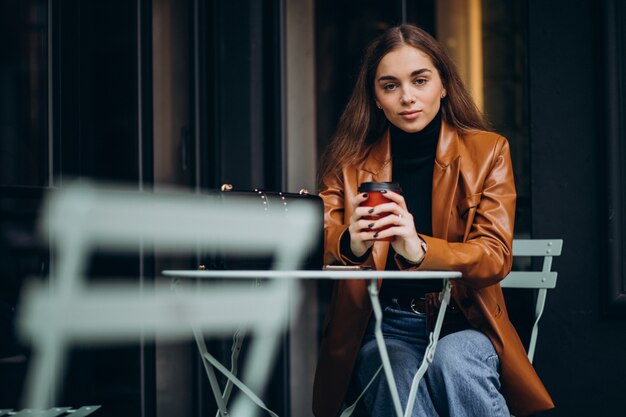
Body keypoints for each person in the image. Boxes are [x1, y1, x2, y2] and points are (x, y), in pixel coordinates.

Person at [312, 24, 554, 417]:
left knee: (453, 360)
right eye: (389, 86)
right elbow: (317, 232)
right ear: (375, 97)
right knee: (392, 368)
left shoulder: (488, 151)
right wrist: (350, 243)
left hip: (466, 322)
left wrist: (419, 249)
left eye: (420, 80)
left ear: (443, 84)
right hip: (384, 326)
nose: (407, 97)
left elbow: (494, 256)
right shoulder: (349, 163)